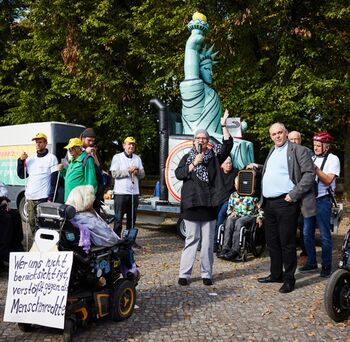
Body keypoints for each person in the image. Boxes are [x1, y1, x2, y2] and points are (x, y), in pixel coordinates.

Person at [252, 122, 316, 294]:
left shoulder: (298, 150)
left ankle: (289, 279)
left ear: (286, 133)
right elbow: (270, 173)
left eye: (280, 133)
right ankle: (275, 274)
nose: (277, 136)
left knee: (287, 243)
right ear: (271, 136)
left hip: (286, 202)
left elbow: (310, 174)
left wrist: (294, 194)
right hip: (269, 203)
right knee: (272, 242)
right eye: (273, 134)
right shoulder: (272, 151)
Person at [176, 110, 233, 286]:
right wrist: (193, 164)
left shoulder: (214, 157)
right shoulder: (187, 157)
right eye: (199, 138)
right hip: (192, 204)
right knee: (191, 240)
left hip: (209, 205)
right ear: (194, 141)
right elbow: (179, 174)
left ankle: (206, 273)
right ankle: (184, 274)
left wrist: (224, 125)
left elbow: (228, 145)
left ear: (208, 142)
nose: (202, 140)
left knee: (208, 242)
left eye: (204, 138)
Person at [298, 132, 340, 277]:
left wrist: (315, 168)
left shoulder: (333, 159)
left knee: (324, 236)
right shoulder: (312, 157)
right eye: (314, 145)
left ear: (326, 147)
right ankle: (311, 262)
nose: (315, 148)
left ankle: (326, 266)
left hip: (323, 200)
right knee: (306, 233)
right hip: (309, 199)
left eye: (318, 145)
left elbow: (328, 180)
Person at [17, 133, 59, 233]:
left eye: (40, 142)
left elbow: (54, 180)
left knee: (44, 222)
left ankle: (45, 243)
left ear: (45, 143)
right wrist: (20, 161)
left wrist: (51, 197)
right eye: (36, 142)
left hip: (43, 197)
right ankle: (36, 242)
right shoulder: (30, 159)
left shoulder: (52, 158)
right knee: (31, 222)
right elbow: (22, 175)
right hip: (30, 197)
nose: (38, 144)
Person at [217, 179, 263, 261]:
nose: (237, 186)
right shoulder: (233, 195)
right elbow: (229, 209)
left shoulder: (252, 195)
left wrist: (260, 217)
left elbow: (260, 209)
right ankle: (225, 248)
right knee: (229, 220)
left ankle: (235, 250)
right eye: (236, 184)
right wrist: (230, 213)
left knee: (239, 221)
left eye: (239, 184)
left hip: (250, 216)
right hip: (236, 215)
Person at [110, 137, 145, 237]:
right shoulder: (117, 157)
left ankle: (129, 240)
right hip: (121, 193)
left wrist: (137, 171)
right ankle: (116, 239)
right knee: (118, 218)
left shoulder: (137, 158)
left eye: (133, 144)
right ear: (124, 145)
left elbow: (142, 175)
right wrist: (128, 171)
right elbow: (114, 174)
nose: (131, 146)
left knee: (132, 218)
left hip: (134, 193)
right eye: (129, 144)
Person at [288, 130, 308, 265]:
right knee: (289, 227)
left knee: (304, 227)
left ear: (300, 140)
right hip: (287, 197)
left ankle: (305, 253)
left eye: (297, 139)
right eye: (292, 139)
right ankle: (290, 255)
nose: (294, 141)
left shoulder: (306, 152)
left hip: (303, 196)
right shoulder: (284, 152)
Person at [58, 138, 97, 202]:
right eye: (69, 148)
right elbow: (68, 177)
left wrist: (88, 201)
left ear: (79, 148)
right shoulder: (72, 161)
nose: (70, 150)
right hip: (69, 199)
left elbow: (91, 182)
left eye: (72, 147)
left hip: (79, 201)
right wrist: (62, 170)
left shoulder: (87, 159)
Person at [214, 156, 238, 250]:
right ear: (222, 165)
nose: (229, 165)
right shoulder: (218, 173)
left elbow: (244, 173)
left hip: (228, 200)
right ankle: (206, 241)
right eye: (226, 163)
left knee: (220, 216)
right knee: (212, 218)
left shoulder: (235, 172)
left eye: (230, 163)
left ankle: (216, 242)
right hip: (217, 199)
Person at [80, 128, 104, 214]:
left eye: (93, 140)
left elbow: (99, 168)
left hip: (95, 191)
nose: (91, 143)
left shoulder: (93, 150)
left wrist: (94, 156)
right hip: (82, 191)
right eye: (89, 140)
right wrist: (85, 153)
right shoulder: (76, 150)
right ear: (82, 139)